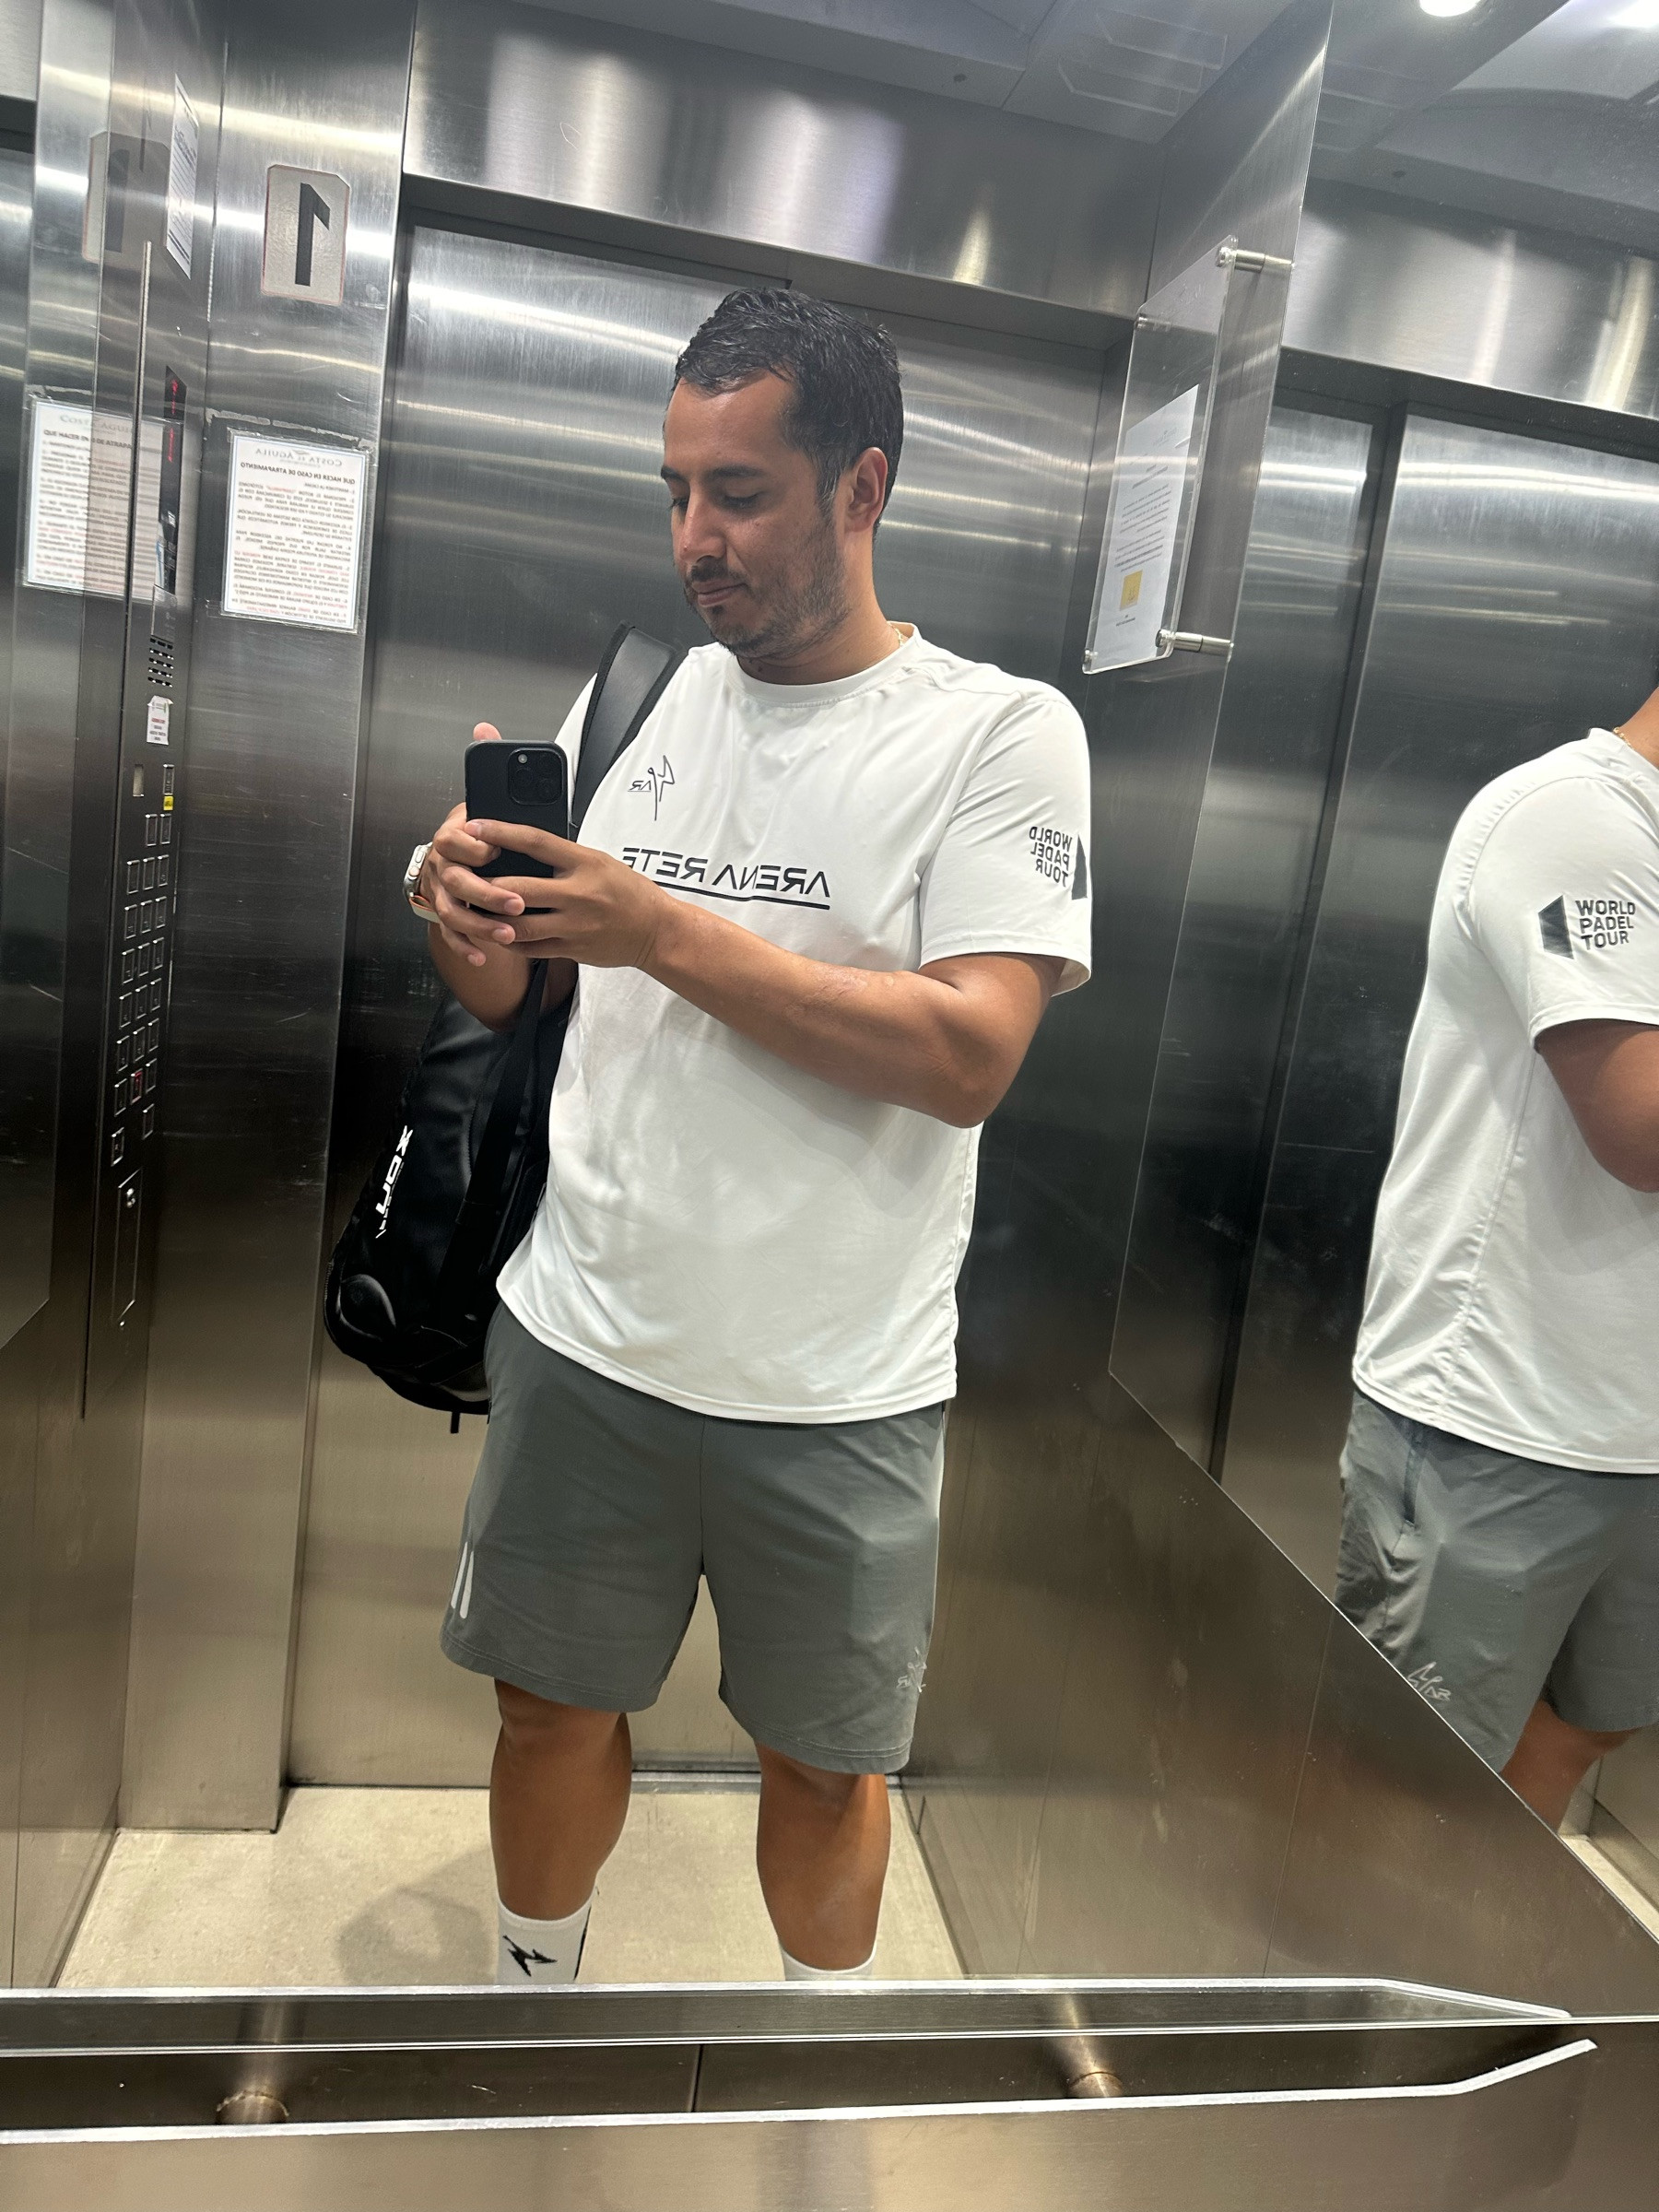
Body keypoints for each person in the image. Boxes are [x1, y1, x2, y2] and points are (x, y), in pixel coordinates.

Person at [406, 290, 1092, 1983]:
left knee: (825, 1763)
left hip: (838, 1387)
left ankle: (811, 2067)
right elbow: (520, 999)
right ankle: (532, 2006)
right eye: (675, 492)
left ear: (863, 488)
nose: (694, 540)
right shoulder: (641, 695)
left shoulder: (997, 736)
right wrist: (467, 919)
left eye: (740, 494)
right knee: (547, 1707)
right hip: (589, 1336)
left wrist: (661, 930)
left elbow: (969, 1055)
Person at [1337, 688, 1659, 1830]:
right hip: (1500, 1416)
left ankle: (1479, 1947)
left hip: (1640, 1425)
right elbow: (1641, 1127)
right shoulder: (1577, 818)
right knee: (1410, 1791)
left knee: (1584, 1728)